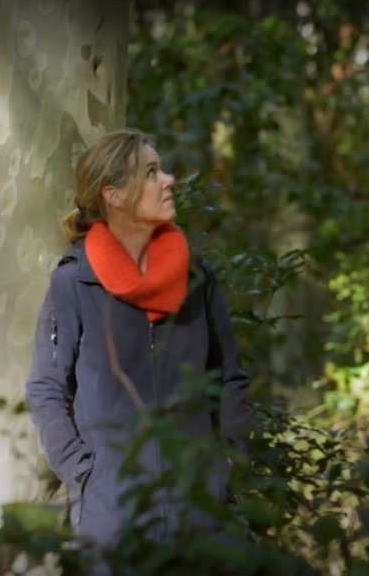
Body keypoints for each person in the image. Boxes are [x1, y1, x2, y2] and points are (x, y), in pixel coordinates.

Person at [24, 128, 251, 555]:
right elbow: (46, 387)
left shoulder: (197, 278)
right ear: (114, 195)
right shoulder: (74, 281)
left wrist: (227, 467)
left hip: (205, 514)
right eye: (151, 172)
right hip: (112, 520)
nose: (168, 180)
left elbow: (230, 379)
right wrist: (84, 476)